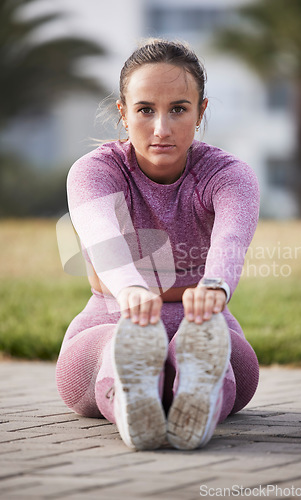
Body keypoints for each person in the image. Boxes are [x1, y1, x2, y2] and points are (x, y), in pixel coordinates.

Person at [56, 38, 260, 451]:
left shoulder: (230, 175)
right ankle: (132, 388)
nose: (161, 129)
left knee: (238, 364)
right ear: (123, 112)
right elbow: (100, 237)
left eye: (179, 109)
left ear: (201, 111)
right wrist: (131, 288)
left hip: (204, 324)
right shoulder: (94, 172)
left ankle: (194, 386)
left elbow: (231, 240)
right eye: (145, 109)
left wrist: (216, 285)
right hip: (113, 320)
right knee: (92, 363)